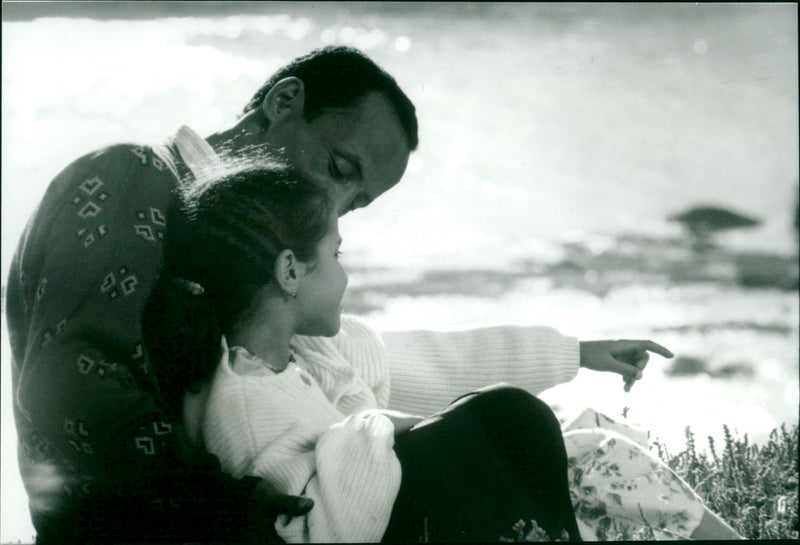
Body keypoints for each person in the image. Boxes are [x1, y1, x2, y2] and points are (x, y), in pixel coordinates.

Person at [156, 163, 740, 542]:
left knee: (594, 438)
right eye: (337, 255)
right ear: (289, 271)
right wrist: (382, 428)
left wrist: (576, 353)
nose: (345, 274)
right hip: (426, 522)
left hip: (440, 503)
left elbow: (440, 361)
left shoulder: (309, 353)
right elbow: (317, 527)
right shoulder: (245, 403)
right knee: (586, 451)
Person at [5, 46, 418, 543]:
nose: (332, 206)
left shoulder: (271, 257)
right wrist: (223, 504)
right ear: (284, 102)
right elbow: (75, 387)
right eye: (338, 167)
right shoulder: (131, 176)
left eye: (355, 204)